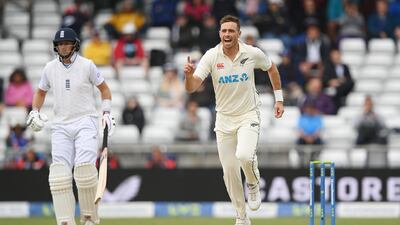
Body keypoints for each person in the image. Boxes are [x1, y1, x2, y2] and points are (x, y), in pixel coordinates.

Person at [183, 15, 284, 225]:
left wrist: (279, 99)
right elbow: (192, 87)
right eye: (224, 31)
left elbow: (272, 68)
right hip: (224, 120)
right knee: (229, 171)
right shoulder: (211, 56)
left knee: (245, 156)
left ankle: (254, 184)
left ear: (239, 33)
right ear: (219, 33)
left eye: (231, 31)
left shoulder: (252, 53)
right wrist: (188, 76)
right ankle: (241, 217)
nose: (227, 34)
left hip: (248, 114)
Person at [26, 28, 116, 225]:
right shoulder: (49, 68)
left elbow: (105, 90)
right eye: (60, 44)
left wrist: (107, 113)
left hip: (86, 120)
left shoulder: (87, 65)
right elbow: (41, 92)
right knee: (59, 173)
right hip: (60, 124)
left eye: (67, 43)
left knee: (84, 170)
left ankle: (90, 218)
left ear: (75, 44)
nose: (63, 46)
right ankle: (65, 220)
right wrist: (35, 111)